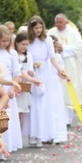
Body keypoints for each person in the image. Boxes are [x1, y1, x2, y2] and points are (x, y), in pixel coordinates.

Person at [27, 16, 68, 145]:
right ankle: (36, 134)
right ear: (31, 29)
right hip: (34, 72)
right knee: (35, 104)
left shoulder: (48, 40)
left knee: (47, 103)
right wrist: (31, 66)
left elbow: (52, 58)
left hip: (46, 72)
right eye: (36, 28)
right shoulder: (28, 41)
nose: (38, 30)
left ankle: (48, 133)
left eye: (40, 27)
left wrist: (61, 69)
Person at [48, 14, 82, 124]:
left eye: (60, 22)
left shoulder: (73, 32)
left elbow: (79, 48)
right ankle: (56, 118)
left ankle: (67, 120)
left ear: (66, 22)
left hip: (70, 66)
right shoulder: (51, 32)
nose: (58, 24)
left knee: (69, 92)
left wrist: (64, 48)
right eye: (56, 22)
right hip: (54, 66)